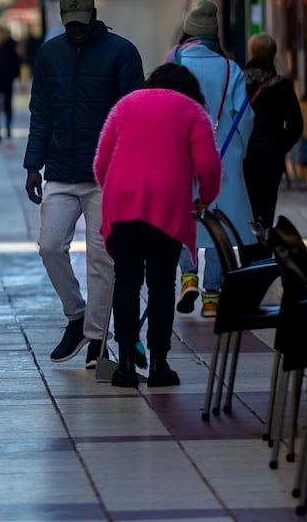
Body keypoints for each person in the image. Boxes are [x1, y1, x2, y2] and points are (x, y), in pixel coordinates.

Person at [24, 0, 144, 368]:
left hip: (105, 176)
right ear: (62, 20)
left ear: (94, 15)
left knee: (101, 259)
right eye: (69, 24)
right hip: (60, 169)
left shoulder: (122, 53)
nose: (76, 29)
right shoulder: (49, 54)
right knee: (49, 246)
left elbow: (132, 115)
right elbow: (40, 111)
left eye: (81, 22)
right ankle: (77, 317)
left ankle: (96, 338)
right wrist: (32, 165)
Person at [93, 63, 223, 387]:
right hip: (167, 206)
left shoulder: (125, 105)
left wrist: (113, 191)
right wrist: (205, 198)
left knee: (126, 282)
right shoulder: (192, 111)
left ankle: (124, 365)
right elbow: (209, 164)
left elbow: (101, 162)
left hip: (123, 204)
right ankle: (158, 366)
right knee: (162, 285)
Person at [167, 0, 254, 318]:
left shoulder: (174, 63)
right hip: (222, 158)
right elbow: (245, 116)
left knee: (183, 219)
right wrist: (237, 151)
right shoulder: (231, 69)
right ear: (215, 37)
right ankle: (212, 296)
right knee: (218, 225)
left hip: (182, 156)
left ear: (187, 34)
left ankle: (188, 275)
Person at [242, 32, 304, 229]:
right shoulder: (281, 85)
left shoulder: (238, 82)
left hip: (244, 156)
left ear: (251, 52)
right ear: (273, 54)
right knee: (266, 210)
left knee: (247, 211)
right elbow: (296, 125)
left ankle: (249, 253)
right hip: (271, 158)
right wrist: (278, 145)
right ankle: (264, 252)